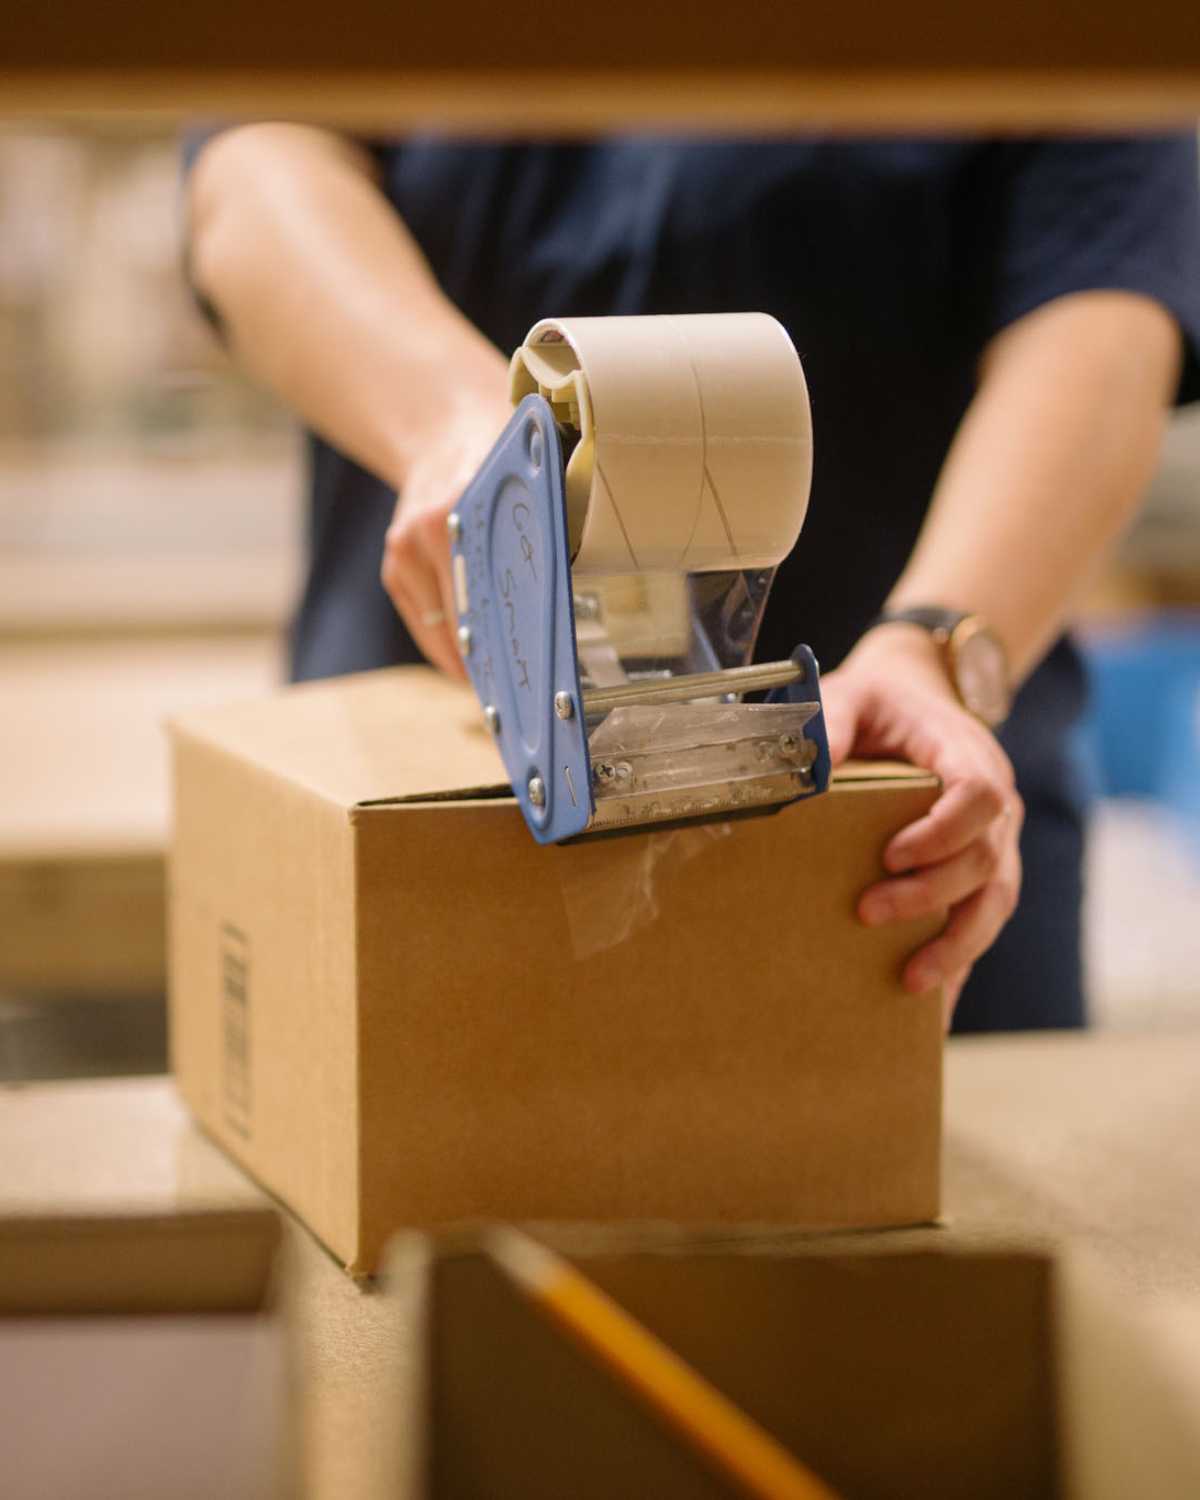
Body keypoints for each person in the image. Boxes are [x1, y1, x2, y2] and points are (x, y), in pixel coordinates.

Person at [183, 127, 1200, 1031]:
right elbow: (255, 157)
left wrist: (933, 638)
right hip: (424, 799)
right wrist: (460, 435)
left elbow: (1106, 303)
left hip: (890, 823)